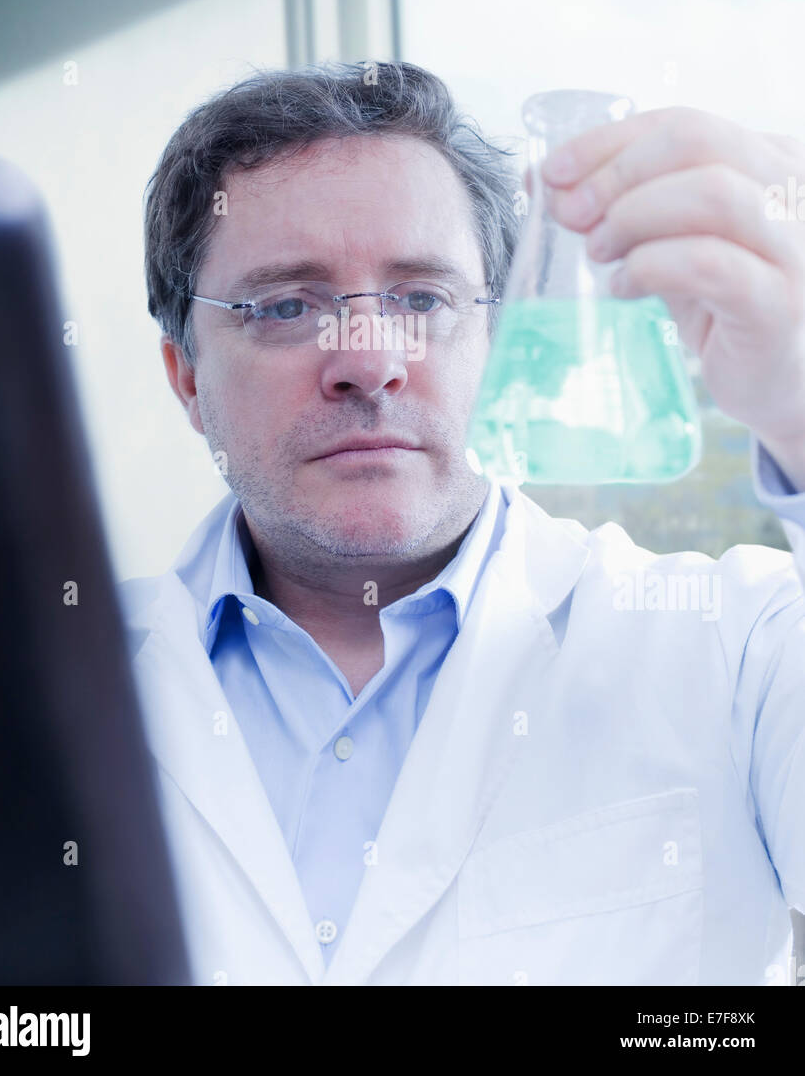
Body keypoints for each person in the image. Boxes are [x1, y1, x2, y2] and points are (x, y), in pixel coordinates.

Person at [121, 60, 805, 986]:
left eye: (423, 298)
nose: (368, 360)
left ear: (501, 332)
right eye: (285, 306)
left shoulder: (737, 647)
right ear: (187, 376)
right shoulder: (17, 681)